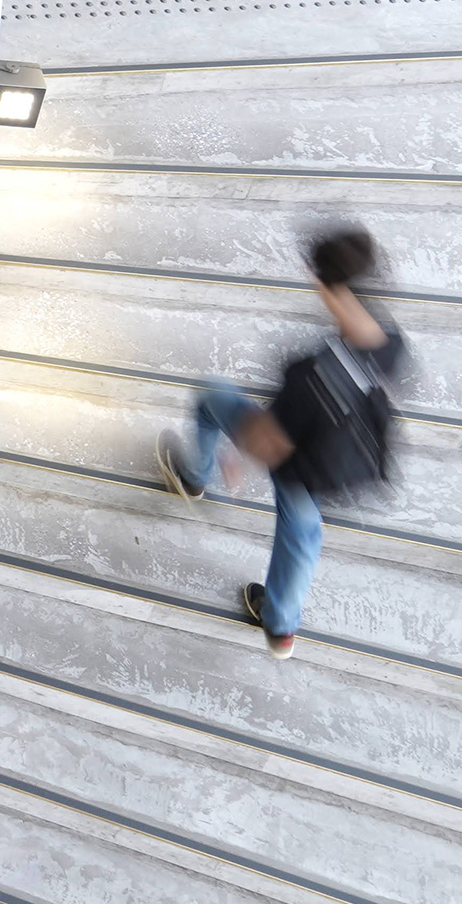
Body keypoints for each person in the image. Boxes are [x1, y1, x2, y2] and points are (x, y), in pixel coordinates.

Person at [160, 228, 406, 659]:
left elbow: (266, 441)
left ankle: (193, 477)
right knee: (302, 529)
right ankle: (280, 626)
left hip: (301, 458)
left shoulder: (311, 376)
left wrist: (235, 454)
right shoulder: (393, 343)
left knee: (212, 394)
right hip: (346, 465)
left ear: (320, 279)